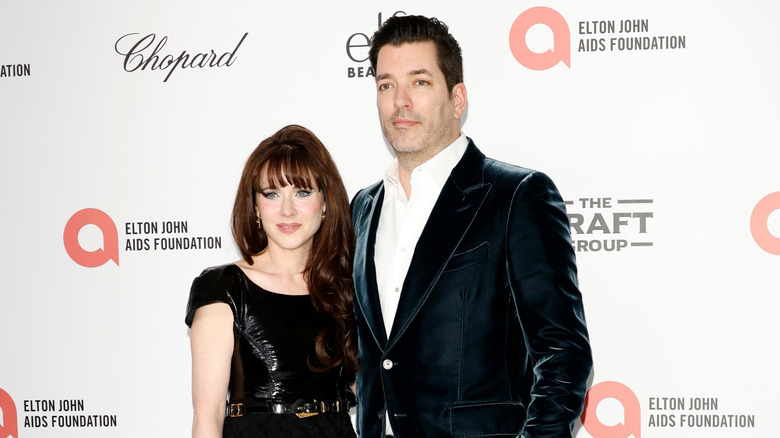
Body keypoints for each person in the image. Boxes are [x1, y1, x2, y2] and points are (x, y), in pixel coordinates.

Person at [350, 15, 592, 437]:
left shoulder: (516, 195)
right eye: (386, 85)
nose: (400, 101)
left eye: (420, 82)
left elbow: (563, 356)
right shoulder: (363, 207)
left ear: (457, 98)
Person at [185, 125, 358, 438]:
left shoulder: (347, 289)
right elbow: (206, 419)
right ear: (255, 207)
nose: (287, 210)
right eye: (272, 194)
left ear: (325, 204)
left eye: (302, 192)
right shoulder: (224, 287)